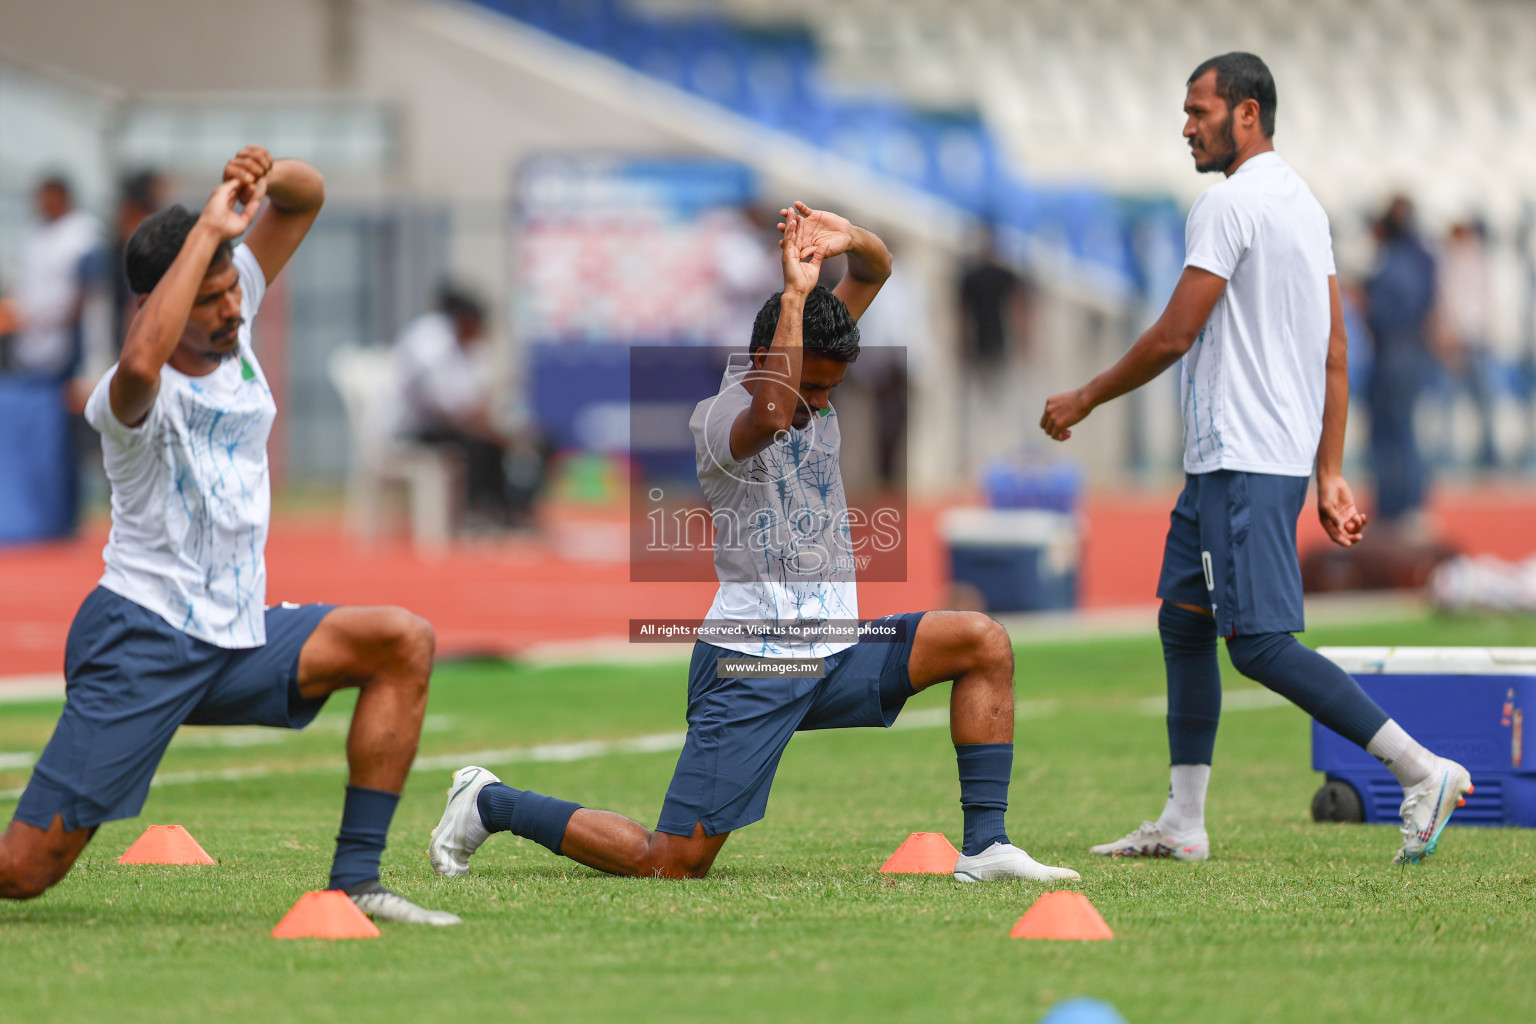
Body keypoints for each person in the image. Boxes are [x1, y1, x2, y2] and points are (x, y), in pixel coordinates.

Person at [428, 202, 1078, 884]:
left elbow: (874, 269)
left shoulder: (812, 370)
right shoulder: (722, 418)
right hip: (753, 665)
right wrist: (797, 292)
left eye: (832, 390)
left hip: (837, 649)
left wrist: (849, 237)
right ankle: (488, 801)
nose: (820, 404)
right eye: (813, 387)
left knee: (982, 642)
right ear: (773, 357)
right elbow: (771, 411)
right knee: (671, 862)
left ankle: (986, 848)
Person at [0, 146, 457, 925]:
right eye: (209, 296)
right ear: (158, 301)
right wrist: (209, 229)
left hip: (237, 637)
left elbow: (306, 198)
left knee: (400, 641)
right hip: (141, 641)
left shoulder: (231, 304)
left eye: (231, 288)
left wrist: (257, 179)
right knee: (23, 872)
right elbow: (142, 357)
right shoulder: (127, 395)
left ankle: (357, 881)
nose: (234, 307)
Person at [1040, 53, 1472, 865]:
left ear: (1246, 114)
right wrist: (1331, 471)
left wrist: (1085, 397)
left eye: (1198, 110)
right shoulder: (1305, 206)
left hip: (1242, 458)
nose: (1186, 126)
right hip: (1234, 460)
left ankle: (1422, 771)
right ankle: (1183, 820)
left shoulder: (1227, 204)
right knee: (1183, 621)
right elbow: (1337, 350)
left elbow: (1176, 332)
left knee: (1261, 645)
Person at [390, 287, 514, 529]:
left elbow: (475, 398)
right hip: (412, 428)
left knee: (495, 442)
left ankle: (502, 511)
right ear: (465, 321)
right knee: (477, 443)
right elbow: (444, 408)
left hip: (446, 425)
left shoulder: (467, 347)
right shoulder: (429, 341)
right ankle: (472, 515)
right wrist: (489, 429)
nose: (480, 334)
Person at [1364, 196, 1439, 526]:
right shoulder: (1420, 258)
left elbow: (1386, 313)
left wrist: (1365, 301)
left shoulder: (1395, 263)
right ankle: (1405, 504)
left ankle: (1397, 506)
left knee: (1392, 434)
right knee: (1402, 432)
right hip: (1409, 351)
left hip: (1394, 354)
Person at [7, 175, 105, 381]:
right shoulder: (32, 233)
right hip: (30, 344)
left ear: (63, 197)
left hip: (69, 346)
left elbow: (87, 292)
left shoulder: (84, 231)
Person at [1435, 219, 1499, 470]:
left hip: (1475, 339)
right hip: (1456, 341)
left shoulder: (1477, 261)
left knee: (1483, 401)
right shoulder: (1449, 262)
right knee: (1449, 401)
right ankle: (1447, 456)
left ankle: (1489, 454)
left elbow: (1483, 301)